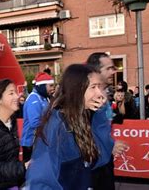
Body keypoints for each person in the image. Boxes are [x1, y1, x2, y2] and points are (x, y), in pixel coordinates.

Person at [26, 64, 105, 189]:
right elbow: (44, 179)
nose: (100, 93)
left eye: (99, 87)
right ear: (76, 89)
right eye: (93, 87)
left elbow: (92, 161)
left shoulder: (82, 116)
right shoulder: (58, 124)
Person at [86, 52, 127, 190]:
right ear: (96, 70)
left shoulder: (106, 93)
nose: (113, 71)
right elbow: (83, 129)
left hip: (105, 161)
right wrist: (110, 144)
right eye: (108, 68)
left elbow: (102, 125)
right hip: (92, 165)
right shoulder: (88, 96)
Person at [21, 72, 55, 162]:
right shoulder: (34, 99)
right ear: (42, 86)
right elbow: (34, 122)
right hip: (30, 142)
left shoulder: (44, 97)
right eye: (50, 86)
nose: (53, 88)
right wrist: (53, 122)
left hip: (40, 141)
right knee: (30, 171)